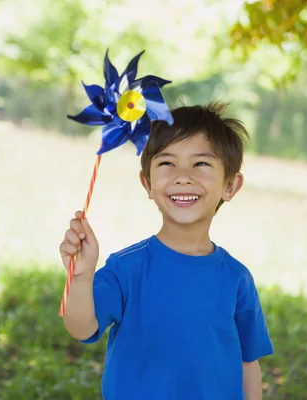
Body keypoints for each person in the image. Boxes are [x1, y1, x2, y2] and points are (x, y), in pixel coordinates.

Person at [59, 102, 273, 400]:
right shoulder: (125, 269)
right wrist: (81, 278)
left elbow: (248, 363)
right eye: (167, 163)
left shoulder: (237, 278)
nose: (182, 176)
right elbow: (82, 327)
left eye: (201, 163)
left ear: (230, 185)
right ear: (147, 182)